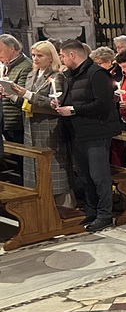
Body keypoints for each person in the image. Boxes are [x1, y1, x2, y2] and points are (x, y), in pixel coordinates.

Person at [52, 40, 121, 232]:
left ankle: (105, 214)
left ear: (72, 55)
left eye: (63, 56)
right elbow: (73, 98)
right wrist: (59, 104)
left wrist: (73, 110)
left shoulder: (97, 74)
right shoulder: (69, 75)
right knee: (85, 176)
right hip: (77, 132)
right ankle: (92, 211)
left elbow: (102, 104)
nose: (61, 59)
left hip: (96, 132)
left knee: (99, 176)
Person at [7, 40, 71, 205]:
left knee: (52, 167)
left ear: (51, 57)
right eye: (34, 55)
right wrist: (11, 94)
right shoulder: (31, 74)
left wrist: (27, 94)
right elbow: (25, 101)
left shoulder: (57, 76)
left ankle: (59, 204)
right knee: (33, 164)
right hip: (30, 125)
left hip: (48, 127)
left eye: (40, 55)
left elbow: (54, 102)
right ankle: (38, 201)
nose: (35, 58)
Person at [0, 34, 31, 144]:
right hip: (5, 120)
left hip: (16, 121)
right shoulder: (6, 65)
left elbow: (23, 96)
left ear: (12, 49)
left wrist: (6, 91)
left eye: (0, 51)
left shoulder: (26, 66)